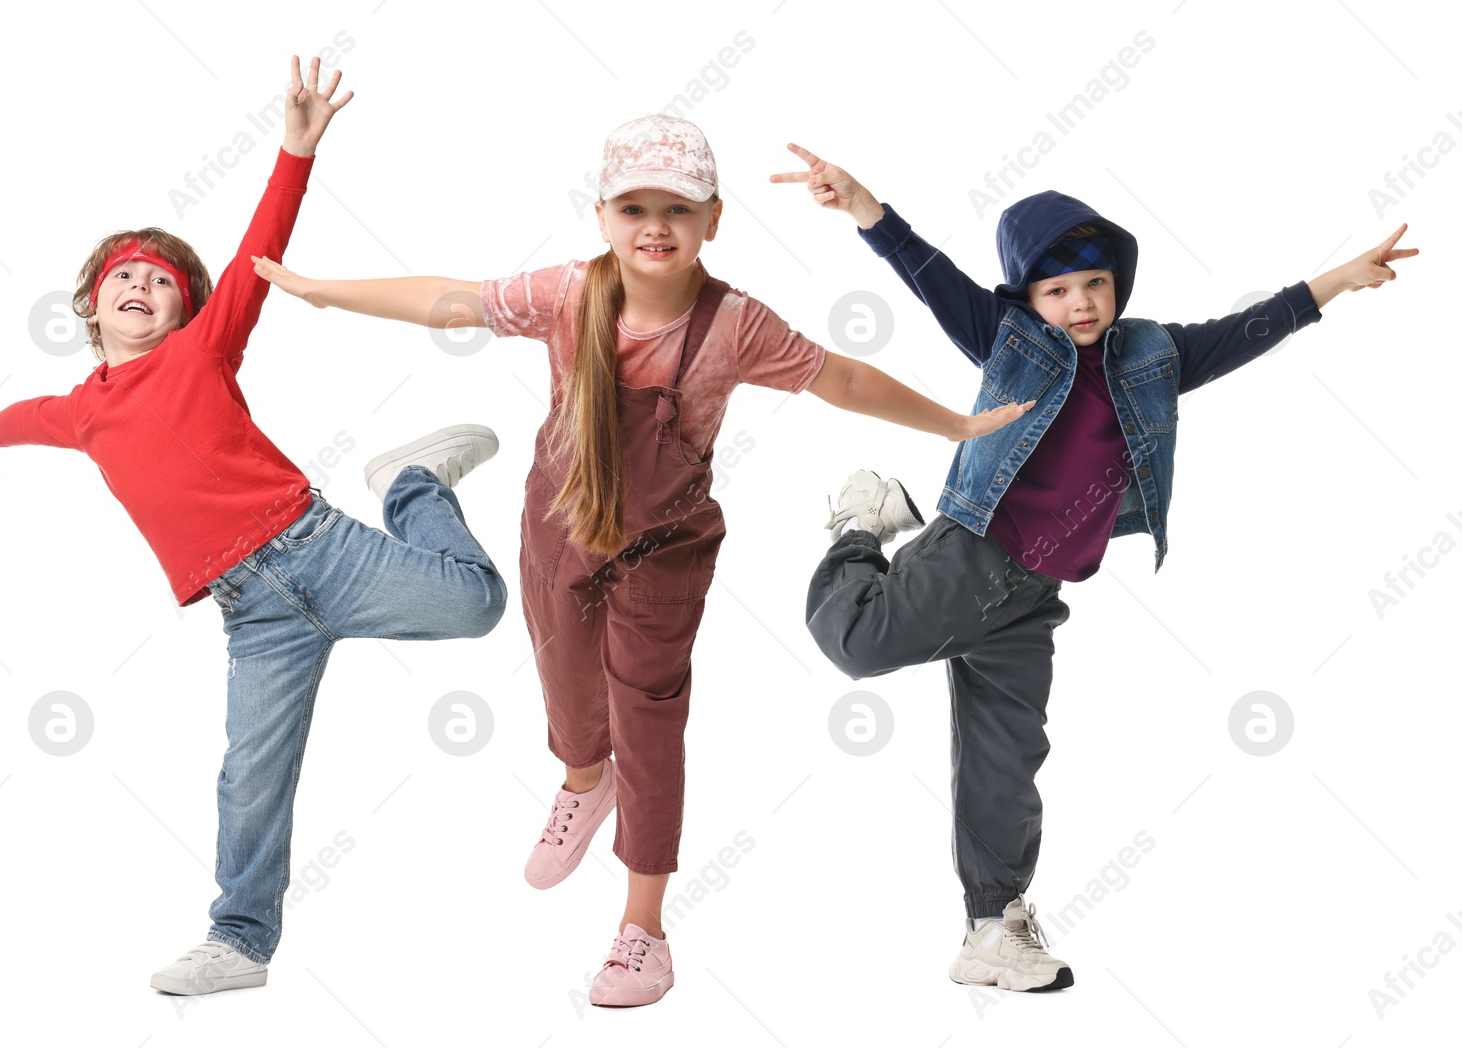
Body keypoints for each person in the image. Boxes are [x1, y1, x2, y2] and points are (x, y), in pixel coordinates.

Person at [251, 114, 1030, 1006]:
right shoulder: (566, 295)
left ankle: (642, 930)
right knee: (566, 685)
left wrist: (958, 424)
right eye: (634, 207)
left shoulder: (735, 325)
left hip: (665, 550)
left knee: (649, 719)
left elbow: (841, 378)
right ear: (602, 217)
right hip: (561, 519)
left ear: (713, 220)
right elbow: (450, 298)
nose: (655, 224)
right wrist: (321, 293)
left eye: (677, 208)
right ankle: (585, 779)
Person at [774, 142, 1419, 991]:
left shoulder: (1155, 355)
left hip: (1034, 596)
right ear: (1028, 299)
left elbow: (1248, 330)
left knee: (1006, 763)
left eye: (1095, 284)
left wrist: (1336, 280)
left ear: (1117, 287)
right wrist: (866, 207)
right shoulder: (1008, 342)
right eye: (1057, 289)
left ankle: (990, 929)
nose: (1080, 303)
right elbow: (928, 275)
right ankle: (862, 523)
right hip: (973, 552)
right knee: (857, 646)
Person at [0, 57, 510, 996]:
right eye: (123, 276)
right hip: (254, 613)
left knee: (479, 606)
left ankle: (410, 482)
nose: (140, 287)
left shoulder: (204, 349)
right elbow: (20, 418)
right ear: (90, 306)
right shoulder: (81, 411)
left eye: (160, 282)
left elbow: (255, 251)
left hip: (318, 550)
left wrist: (294, 151)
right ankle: (239, 941)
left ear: (186, 310)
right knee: (251, 778)